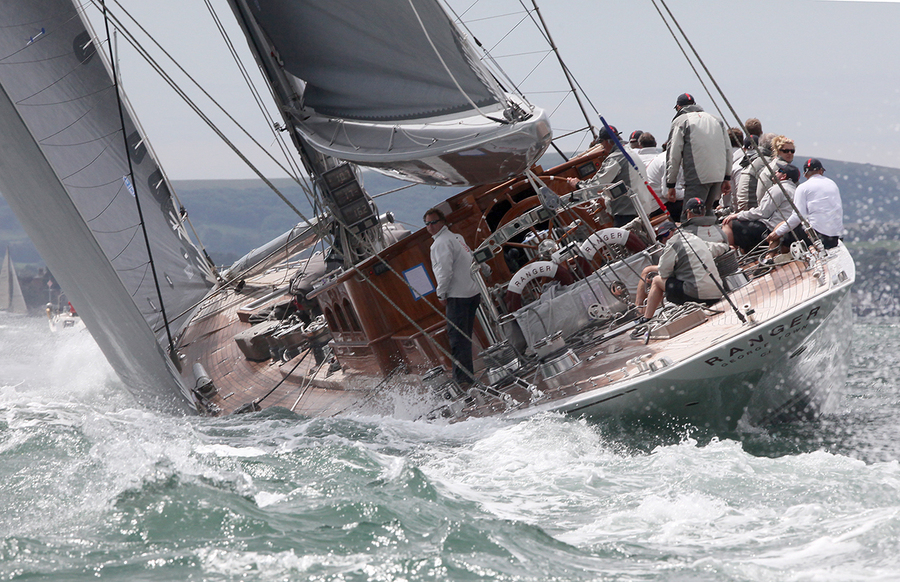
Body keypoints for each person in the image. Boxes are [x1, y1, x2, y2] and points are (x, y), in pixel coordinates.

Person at [425, 208, 481, 386]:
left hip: (458, 297)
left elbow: (444, 272)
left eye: (433, 222)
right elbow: (472, 257)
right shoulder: (457, 237)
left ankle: (463, 381)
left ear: (442, 222)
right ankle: (467, 376)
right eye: (427, 224)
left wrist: (441, 294)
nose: (430, 227)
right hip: (472, 294)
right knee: (464, 338)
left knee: (458, 340)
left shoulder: (440, 243)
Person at [634, 220, 729, 320]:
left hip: (700, 296)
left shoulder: (672, 244)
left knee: (656, 281)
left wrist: (651, 269)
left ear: (675, 230)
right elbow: (715, 248)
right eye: (661, 238)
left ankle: (646, 318)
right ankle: (643, 312)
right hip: (718, 293)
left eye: (666, 234)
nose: (665, 239)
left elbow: (663, 273)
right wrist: (727, 247)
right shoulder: (695, 238)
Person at [566, 126, 659, 226]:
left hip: (628, 214)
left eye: (601, 143)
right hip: (642, 210)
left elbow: (597, 185)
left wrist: (578, 184)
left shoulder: (617, 157)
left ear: (606, 141)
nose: (602, 147)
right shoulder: (630, 152)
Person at [665, 93, 732, 219]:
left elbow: (673, 155)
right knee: (707, 214)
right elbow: (728, 149)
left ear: (678, 107)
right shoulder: (716, 120)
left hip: (696, 177)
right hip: (717, 176)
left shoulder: (680, 121)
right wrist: (727, 177)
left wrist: (671, 184)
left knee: (689, 218)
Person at [766, 158, 843, 250]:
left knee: (782, 226)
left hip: (817, 237)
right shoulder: (832, 184)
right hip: (834, 238)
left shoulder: (803, 187)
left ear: (805, 174)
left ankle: (771, 257)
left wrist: (777, 233)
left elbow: (798, 216)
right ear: (821, 171)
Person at [723, 163, 800, 253]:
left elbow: (762, 213)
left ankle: (729, 256)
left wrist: (738, 215)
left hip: (770, 231)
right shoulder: (796, 191)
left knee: (728, 223)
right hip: (788, 233)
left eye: (779, 170)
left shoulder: (778, 189)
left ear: (784, 176)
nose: (775, 171)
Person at [735, 132, 776, 211]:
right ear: (773, 148)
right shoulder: (766, 162)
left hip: (742, 205)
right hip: (751, 207)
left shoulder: (756, 159)